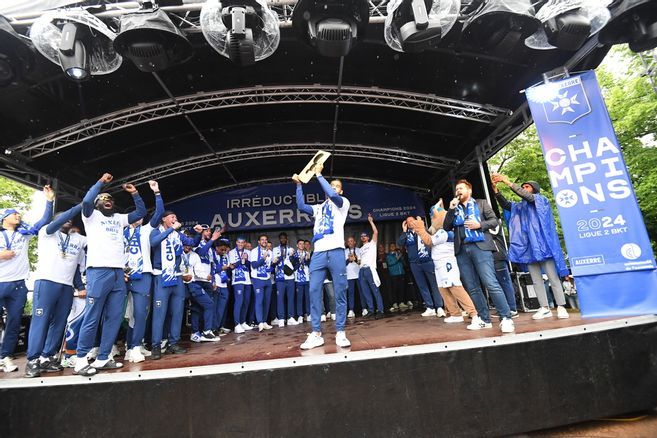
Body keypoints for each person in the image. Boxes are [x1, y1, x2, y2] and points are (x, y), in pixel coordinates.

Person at [74, 174, 147, 376]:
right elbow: (87, 200)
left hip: (117, 273)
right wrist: (100, 183)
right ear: (97, 204)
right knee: (92, 316)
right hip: (98, 271)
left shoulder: (119, 218)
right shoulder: (90, 216)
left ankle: (104, 357)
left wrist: (135, 193)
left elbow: (140, 211)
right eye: (104, 200)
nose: (108, 201)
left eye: (111, 200)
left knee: (114, 317)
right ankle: (80, 360)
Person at [492, 174, 570, 320]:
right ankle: (544, 307)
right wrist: (496, 190)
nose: (523, 189)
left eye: (526, 187)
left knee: (553, 278)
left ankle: (561, 306)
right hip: (528, 248)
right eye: (522, 187)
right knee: (535, 280)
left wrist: (507, 181)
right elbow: (506, 205)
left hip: (543, 246)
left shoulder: (541, 200)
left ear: (534, 189)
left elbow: (527, 196)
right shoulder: (520, 207)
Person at [443, 179, 515, 333]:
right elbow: (446, 227)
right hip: (462, 249)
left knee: (490, 282)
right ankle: (484, 319)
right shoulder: (454, 208)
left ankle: (506, 317)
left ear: (469, 191)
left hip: (480, 246)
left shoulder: (481, 203)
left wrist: (479, 225)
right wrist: (450, 210)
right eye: (456, 189)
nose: (458, 191)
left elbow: (494, 221)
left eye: (461, 188)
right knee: (472, 287)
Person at [25, 203, 86, 378]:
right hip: (46, 283)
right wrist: (82, 204)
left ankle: (47, 357)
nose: (67, 219)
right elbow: (53, 223)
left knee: (59, 324)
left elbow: (76, 265)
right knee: (41, 321)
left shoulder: (77, 239)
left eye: (70, 218)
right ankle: (33, 360)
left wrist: (79, 286)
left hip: (66, 287)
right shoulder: (47, 232)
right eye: (63, 217)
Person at [294, 163, 350, 349]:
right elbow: (301, 206)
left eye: (336, 186)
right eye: (331, 185)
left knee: (340, 291)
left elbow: (333, 196)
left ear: (341, 191)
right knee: (314, 291)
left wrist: (319, 175)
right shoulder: (318, 208)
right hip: (318, 253)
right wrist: (299, 185)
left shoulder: (343, 203)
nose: (333, 188)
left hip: (336, 251)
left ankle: (340, 331)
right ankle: (316, 333)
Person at [0, 185, 54, 373]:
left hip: (18, 284)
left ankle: (4, 356)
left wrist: (49, 201)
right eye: (13, 213)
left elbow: (44, 221)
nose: (18, 215)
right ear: (3, 218)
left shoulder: (24, 235)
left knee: (14, 323)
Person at [414, 202, 479, 325]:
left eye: (434, 217)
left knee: (455, 287)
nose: (432, 220)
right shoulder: (439, 231)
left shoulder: (444, 232)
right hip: (438, 263)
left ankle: (473, 313)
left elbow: (429, 241)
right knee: (443, 289)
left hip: (447, 262)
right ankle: (455, 313)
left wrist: (420, 229)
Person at [149, 211, 202, 359]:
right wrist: (172, 229)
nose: (175, 219)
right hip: (161, 276)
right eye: (172, 217)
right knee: (159, 314)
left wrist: (198, 234)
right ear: (164, 219)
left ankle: (174, 343)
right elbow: (153, 243)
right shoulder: (155, 231)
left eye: (176, 218)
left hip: (177, 277)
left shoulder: (178, 235)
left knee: (178, 312)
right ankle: (156, 345)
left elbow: (193, 243)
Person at [123, 180, 163, 364]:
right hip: (121, 276)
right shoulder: (118, 231)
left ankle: (135, 347)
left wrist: (156, 193)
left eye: (139, 216)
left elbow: (160, 213)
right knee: (117, 314)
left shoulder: (147, 230)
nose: (138, 219)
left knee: (140, 313)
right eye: (135, 216)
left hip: (143, 276)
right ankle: (120, 347)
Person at [397, 217, 446, 318]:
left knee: (434, 285)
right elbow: (400, 243)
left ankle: (439, 307)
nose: (410, 223)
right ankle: (430, 307)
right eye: (408, 222)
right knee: (422, 286)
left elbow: (432, 239)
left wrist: (421, 226)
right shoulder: (407, 234)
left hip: (427, 261)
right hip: (414, 264)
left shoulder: (424, 230)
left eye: (412, 220)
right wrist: (404, 231)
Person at [184, 243, 220, 342]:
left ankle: (196, 333)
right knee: (206, 305)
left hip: (193, 283)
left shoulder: (194, 255)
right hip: (181, 284)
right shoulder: (178, 253)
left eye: (189, 244)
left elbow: (198, 270)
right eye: (185, 244)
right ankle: (206, 332)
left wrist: (206, 276)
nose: (187, 247)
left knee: (198, 307)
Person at [358, 214, 385, 318]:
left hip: (370, 269)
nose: (363, 237)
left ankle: (380, 310)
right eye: (361, 236)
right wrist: (355, 260)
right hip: (362, 270)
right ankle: (371, 310)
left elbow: (376, 232)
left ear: (368, 237)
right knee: (366, 291)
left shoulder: (372, 244)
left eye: (364, 236)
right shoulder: (360, 249)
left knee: (375, 290)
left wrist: (371, 221)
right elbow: (359, 262)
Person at [250, 234, 274, 332]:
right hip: (257, 278)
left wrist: (274, 263)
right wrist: (263, 259)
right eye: (262, 240)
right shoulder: (254, 251)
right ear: (259, 242)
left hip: (267, 279)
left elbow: (269, 267)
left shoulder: (270, 252)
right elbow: (254, 265)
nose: (264, 241)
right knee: (259, 300)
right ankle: (259, 322)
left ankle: (264, 321)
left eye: (265, 240)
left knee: (267, 301)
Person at [228, 236, 252, 334]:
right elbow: (232, 266)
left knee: (246, 302)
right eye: (239, 242)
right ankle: (237, 324)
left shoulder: (249, 252)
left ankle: (243, 322)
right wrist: (241, 259)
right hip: (237, 280)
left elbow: (251, 266)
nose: (241, 244)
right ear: (236, 243)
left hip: (247, 280)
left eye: (242, 242)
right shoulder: (231, 252)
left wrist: (246, 260)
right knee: (239, 302)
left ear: (245, 243)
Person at [273, 232, 298, 327]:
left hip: (290, 277)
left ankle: (290, 318)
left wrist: (292, 256)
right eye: (281, 238)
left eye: (284, 238)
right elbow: (273, 263)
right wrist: (277, 260)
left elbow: (296, 262)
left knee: (291, 298)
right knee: (280, 299)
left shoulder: (291, 249)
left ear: (287, 239)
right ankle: (281, 319)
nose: (283, 240)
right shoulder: (275, 250)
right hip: (280, 278)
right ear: (279, 239)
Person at [212, 239, 232, 333]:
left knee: (222, 309)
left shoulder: (225, 256)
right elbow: (212, 269)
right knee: (215, 308)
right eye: (222, 249)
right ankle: (213, 328)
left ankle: (219, 326)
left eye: (225, 250)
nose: (223, 251)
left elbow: (225, 269)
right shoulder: (212, 255)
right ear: (216, 248)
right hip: (216, 285)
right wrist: (221, 268)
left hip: (224, 285)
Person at [291, 238, 310, 323]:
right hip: (298, 279)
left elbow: (310, 265)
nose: (302, 245)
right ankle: (300, 315)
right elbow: (292, 267)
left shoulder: (307, 253)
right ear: (297, 245)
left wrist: (308, 260)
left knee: (308, 297)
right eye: (300, 244)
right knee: (299, 298)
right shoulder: (294, 254)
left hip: (307, 279)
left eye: (303, 244)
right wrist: (298, 261)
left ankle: (309, 314)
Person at [344, 236, 362, 318]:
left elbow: (360, 262)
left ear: (354, 242)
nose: (350, 243)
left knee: (362, 292)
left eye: (351, 241)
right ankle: (351, 310)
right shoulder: (344, 251)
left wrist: (355, 258)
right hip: (349, 275)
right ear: (347, 243)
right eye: (349, 241)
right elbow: (343, 264)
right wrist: (348, 260)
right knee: (350, 293)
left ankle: (364, 308)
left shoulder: (359, 250)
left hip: (358, 274)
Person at [386, 243, 405, 312]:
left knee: (401, 288)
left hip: (401, 273)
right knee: (394, 289)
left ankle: (401, 302)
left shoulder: (398, 253)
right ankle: (395, 303)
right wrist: (397, 258)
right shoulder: (388, 256)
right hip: (394, 274)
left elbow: (403, 261)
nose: (393, 247)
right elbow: (390, 263)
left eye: (394, 246)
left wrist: (400, 256)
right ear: (389, 248)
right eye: (391, 246)